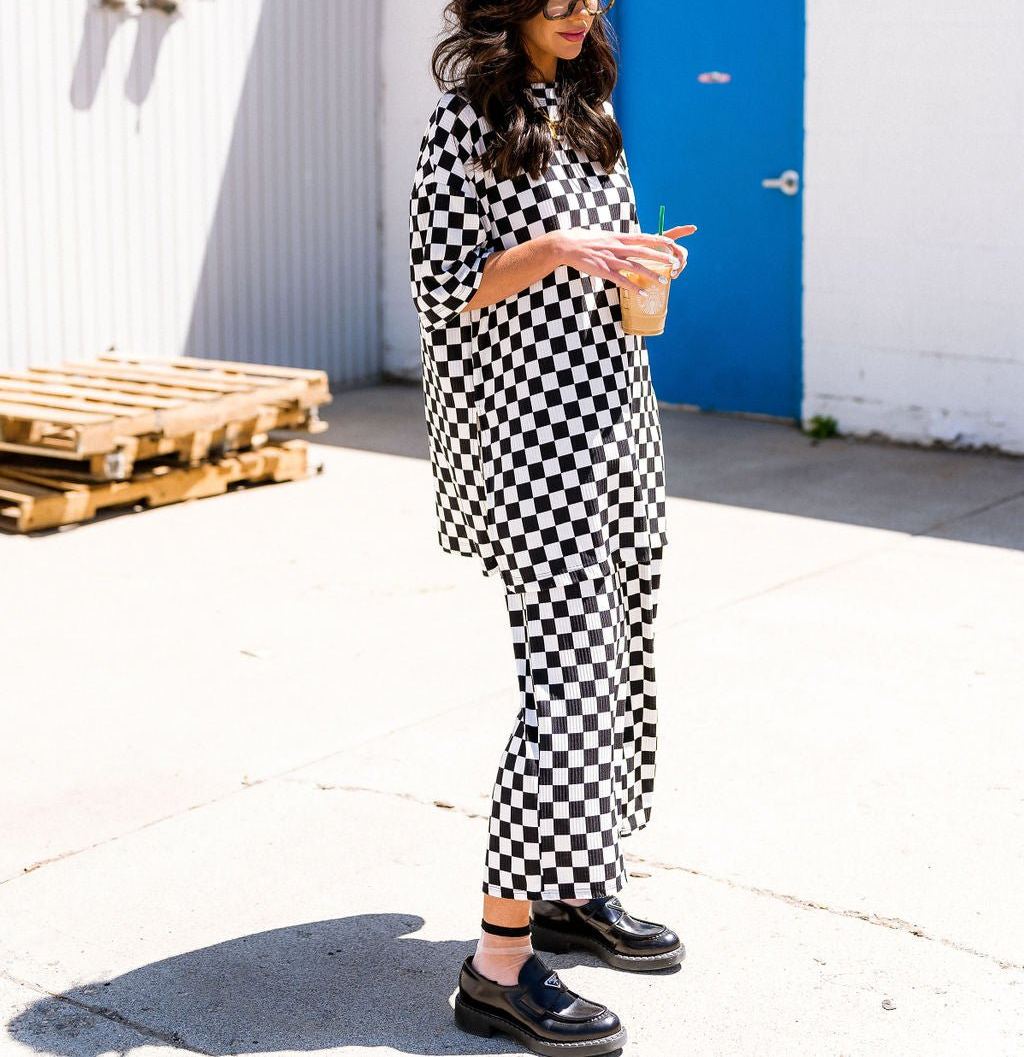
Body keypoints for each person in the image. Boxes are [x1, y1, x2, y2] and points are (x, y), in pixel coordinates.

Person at [408, 2, 697, 1052]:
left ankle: (575, 892)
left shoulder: (593, 111)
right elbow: (439, 290)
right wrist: (555, 247)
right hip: (530, 435)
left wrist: (637, 263)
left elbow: (602, 260)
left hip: (617, 413)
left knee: (619, 663)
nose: (579, 16)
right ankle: (495, 962)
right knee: (568, 679)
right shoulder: (463, 121)